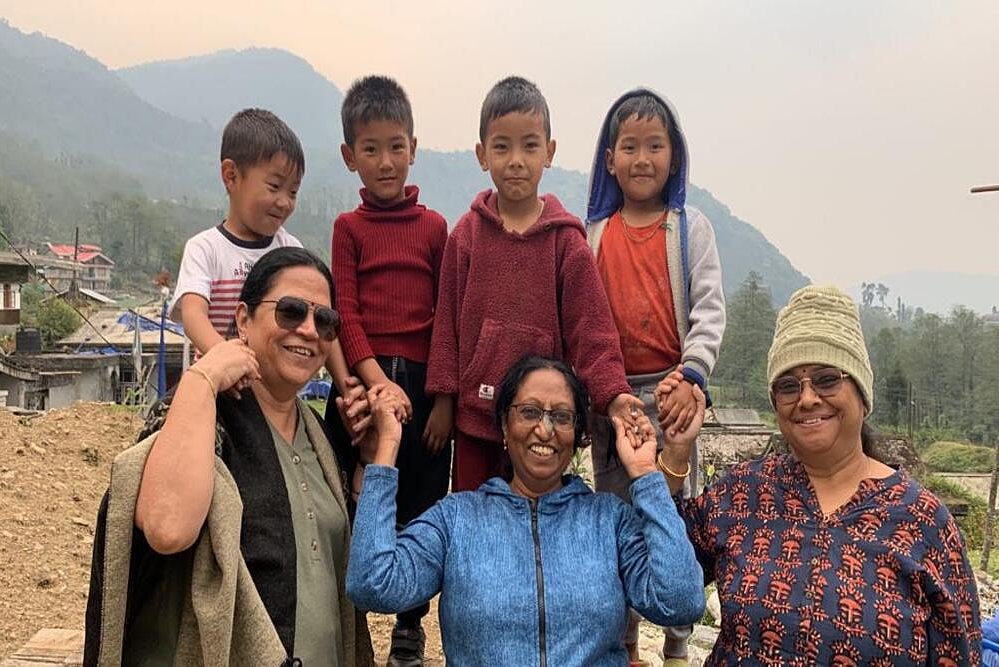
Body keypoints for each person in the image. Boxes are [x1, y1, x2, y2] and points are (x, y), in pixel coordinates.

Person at [656, 285, 982, 664]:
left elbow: (960, 654)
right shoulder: (742, 493)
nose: (807, 398)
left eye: (827, 379)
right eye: (789, 386)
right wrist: (676, 451)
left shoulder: (924, 523)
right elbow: (662, 578)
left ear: (862, 392)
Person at [84, 247, 374, 666]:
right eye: (291, 311)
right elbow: (168, 528)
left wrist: (368, 457)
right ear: (242, 320)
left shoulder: (322, 440)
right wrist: (204, 376)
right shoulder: (200, 416)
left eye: (326, 322)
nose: (310, 331)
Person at [348, 355, 705, 665]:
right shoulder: (457, 519)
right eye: (530, 412)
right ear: (504, 423)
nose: (545, 429)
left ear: (578, 433)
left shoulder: (608, 520)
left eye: (562, 417)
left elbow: (680, 601)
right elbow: (372, 585)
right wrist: (383, 453)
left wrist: (645, 475)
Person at [426, 75, 643, 492]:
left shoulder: (566, 241)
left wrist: (613, 393)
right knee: (474, 521)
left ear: (550, 152)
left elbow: (592, 331)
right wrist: (443, 398)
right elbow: (446, 323)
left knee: (536, 521)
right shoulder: (467, 234)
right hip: (476, 416)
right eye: (502, 146)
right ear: (482, 154)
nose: (516, 160)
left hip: (542, 422)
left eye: (529, 145)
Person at [586, 88, 726, 664]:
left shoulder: (689, 228)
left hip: (672, 395)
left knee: (674, 514)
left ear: (674, 156)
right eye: (630, 146)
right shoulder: (592, 234)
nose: (642, 158)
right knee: (615, 518)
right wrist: (600, 389)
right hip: (611, 398)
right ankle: (623, 643)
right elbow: (584, 321)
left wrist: (691, 376)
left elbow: (709, 309)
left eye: (655, 145)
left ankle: (676, 641)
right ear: (610, 159)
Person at [332, 74, 451, 667]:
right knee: (351, 498)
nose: (385, 161)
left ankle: (411, 625)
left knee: (425, 502)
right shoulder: (347, 230)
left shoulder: (434, 229)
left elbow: (448, 318)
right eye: (371, 149)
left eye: (396, 146)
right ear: (350, 155)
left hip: (426, 391)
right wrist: (374, 383)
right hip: (361, 382)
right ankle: (344, 619)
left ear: (413, 147)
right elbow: (346, 313)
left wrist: (446, 401)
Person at [170, 108, 364, 419]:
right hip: (222, 392)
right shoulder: (206, 248)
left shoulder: (289, 248)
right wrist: (226, 360)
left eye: (293, 192)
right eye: (274, 187)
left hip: (275, 401)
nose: (285, 202)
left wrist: (345, 384)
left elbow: (320, 324)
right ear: (231, 176)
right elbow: (194, 315)